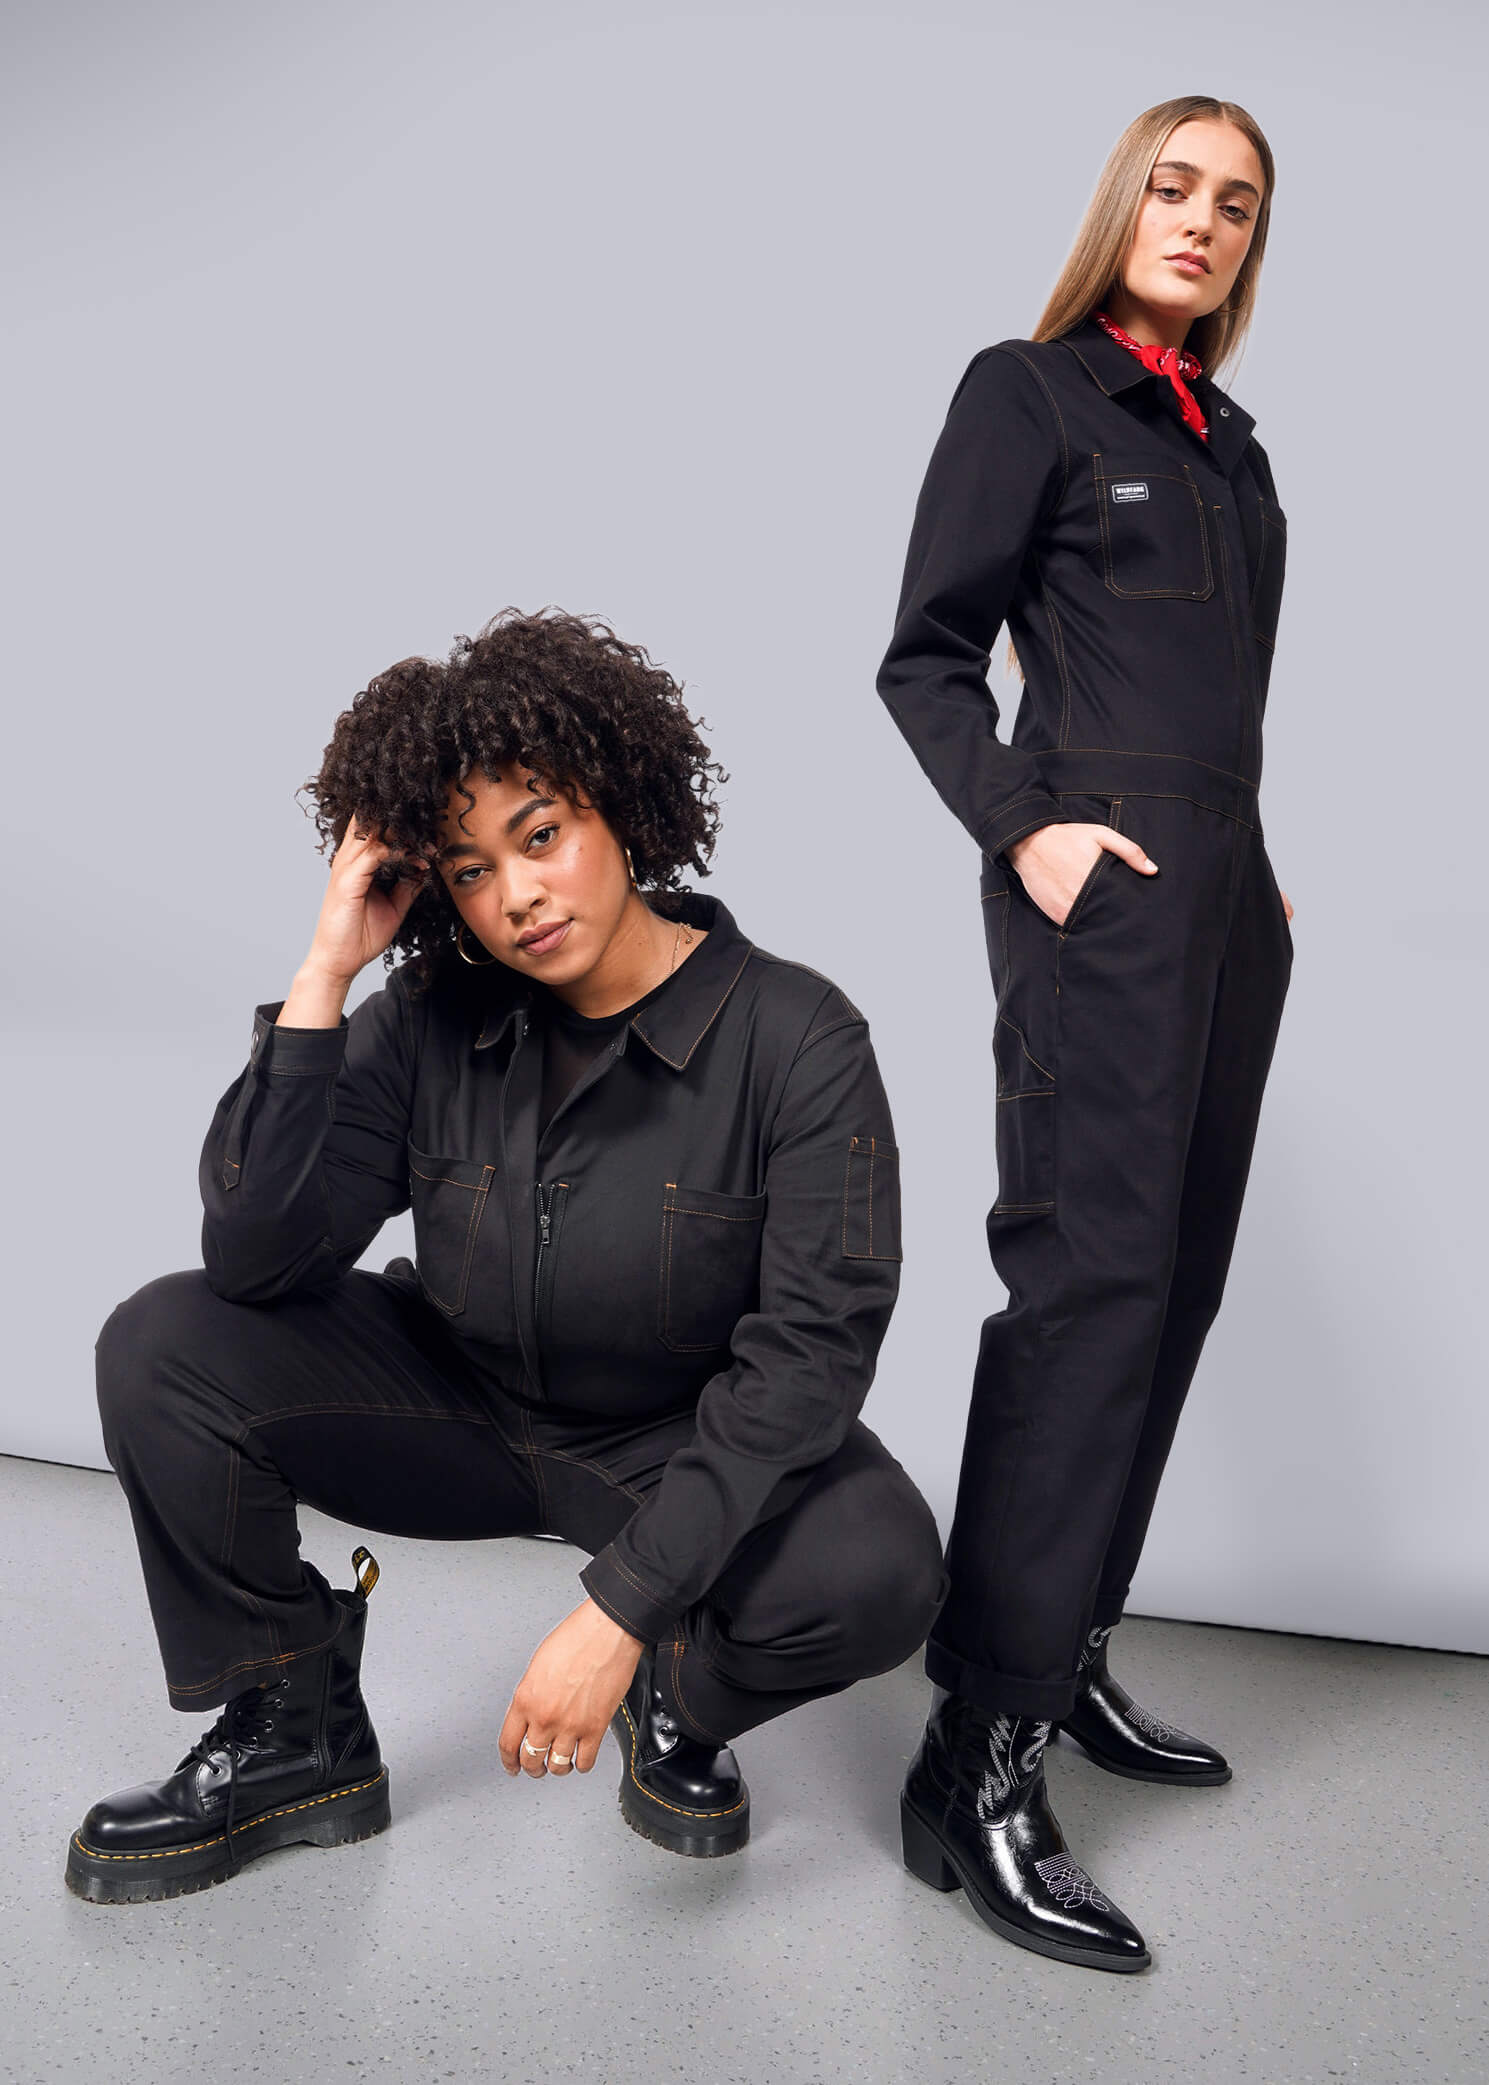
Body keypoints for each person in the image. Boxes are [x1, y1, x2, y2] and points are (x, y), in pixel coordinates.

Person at [68, 607, 946, 1904]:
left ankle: (679, 1704)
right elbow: (255, 1255)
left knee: (881, 1566)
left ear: (621, 805)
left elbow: (810, 1361)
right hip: (458, 1406)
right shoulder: (431, 1014)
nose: (515, 895)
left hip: (670, 1445)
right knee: (163, 1341)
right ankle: (292, 1729)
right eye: (469, 870)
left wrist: (623, 1613)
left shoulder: (798, 1037)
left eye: (538, 835)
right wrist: (327, 970)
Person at [876, 96, 1293, 1973]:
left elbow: (1227, 711)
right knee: (1087, 1289)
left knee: (1176, 1289)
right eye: (1175, 187)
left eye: (1235, 206)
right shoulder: (1029, 394)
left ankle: (1069, 1648)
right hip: (1100, 909)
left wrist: (1259, 876)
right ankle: (978, 1748)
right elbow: (926, 655)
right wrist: (1025, 824)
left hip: (1228, 922)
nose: (1198, 223)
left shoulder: (1236, 455)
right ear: (1122, 204)